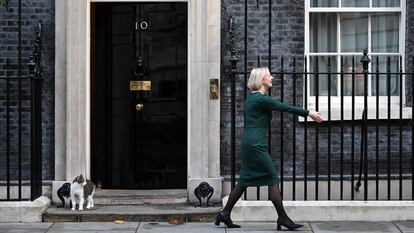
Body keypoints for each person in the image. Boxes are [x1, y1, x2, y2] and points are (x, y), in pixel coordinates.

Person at [215, 67, 323, 231]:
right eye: (268, 75)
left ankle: (225, 213)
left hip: (250, 142)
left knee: (244, 180)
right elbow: (284, 107)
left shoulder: (252, 98)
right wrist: (309, 113)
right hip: (255, 144)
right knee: (272, 177)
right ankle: (283, 217)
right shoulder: (259, 99)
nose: (272, 77)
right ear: (261, 79)